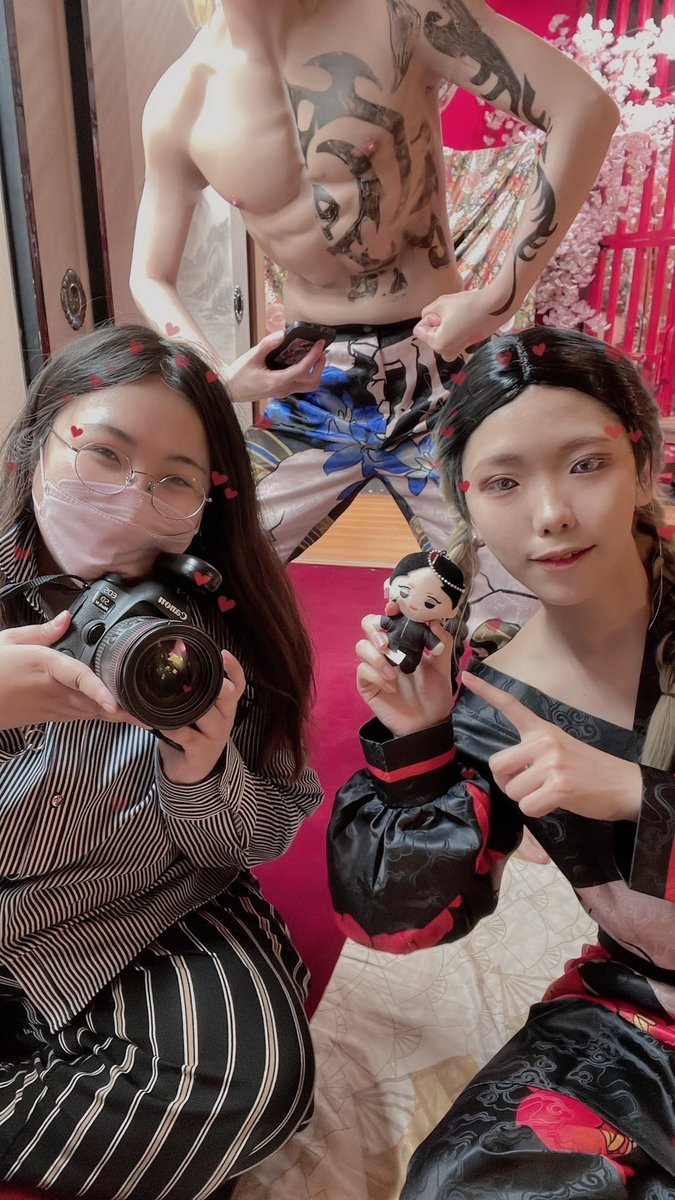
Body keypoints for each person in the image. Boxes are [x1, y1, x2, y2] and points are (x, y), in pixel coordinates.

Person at [327, 326, 675, 1197]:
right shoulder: (497, 702)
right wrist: (417, 746)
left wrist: (636, 793)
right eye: (503, 482)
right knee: (462, 1182)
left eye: (586, 464)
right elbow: (397, 922)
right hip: (644, 1011)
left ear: (642, 463)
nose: (549, 514)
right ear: (466, 505)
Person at [129, 0, 619, 605]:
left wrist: (500, 297)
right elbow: (149, 274)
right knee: (194, 578)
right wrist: (217, 378)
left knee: (521, 593)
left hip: (440, 364)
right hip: (311, 380)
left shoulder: (400, 14)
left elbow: (582, 107)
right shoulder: (183, 99)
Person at [0, 324, 323, 1200]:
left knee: (255, 1086)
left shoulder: (227, 629)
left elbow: (253, 838)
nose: (130, 494)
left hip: (141, 908)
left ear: (207, 499)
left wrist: (200, 773)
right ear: (37, 441)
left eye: (174, 478)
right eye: (103, 453)